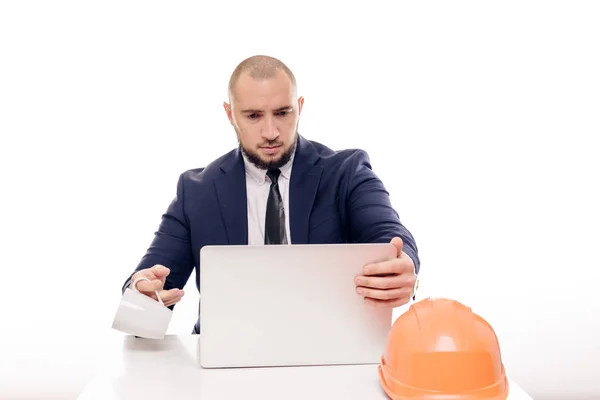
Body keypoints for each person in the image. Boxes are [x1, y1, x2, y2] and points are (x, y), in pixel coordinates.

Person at [121, 55, 420, 334]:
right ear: (229, 114)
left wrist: (403, 262)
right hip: (225, 357)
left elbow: (388, 233)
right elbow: (148, 284)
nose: (271, 131)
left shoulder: (346, 172)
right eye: (253, 116)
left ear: (299, 107)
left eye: (282, 113)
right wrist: (143, 295)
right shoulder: (197, 190)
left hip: (328, 352)